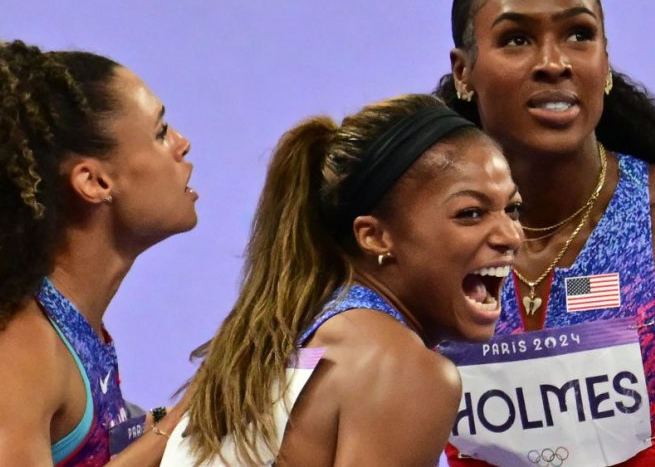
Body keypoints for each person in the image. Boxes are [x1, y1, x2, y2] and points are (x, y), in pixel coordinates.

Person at [159, 93, 523, 466]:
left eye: (512, 208)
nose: (511, 235)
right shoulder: (404, 370)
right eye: (471, 213)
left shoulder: (258, 341)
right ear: (374, 236)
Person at [0, 39, 195, 466]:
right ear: (95, 183)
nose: (182, 143)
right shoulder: (15, 346)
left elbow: (101, 441)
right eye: (160, 132)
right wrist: (172, 427)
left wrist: (208, 402)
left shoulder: (61, 323)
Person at [434, 0, 655, 465]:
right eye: (517, 38)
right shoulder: (422, 245)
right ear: (464, 72)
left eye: (579, 34)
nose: (553, 62)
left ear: (604, 63)